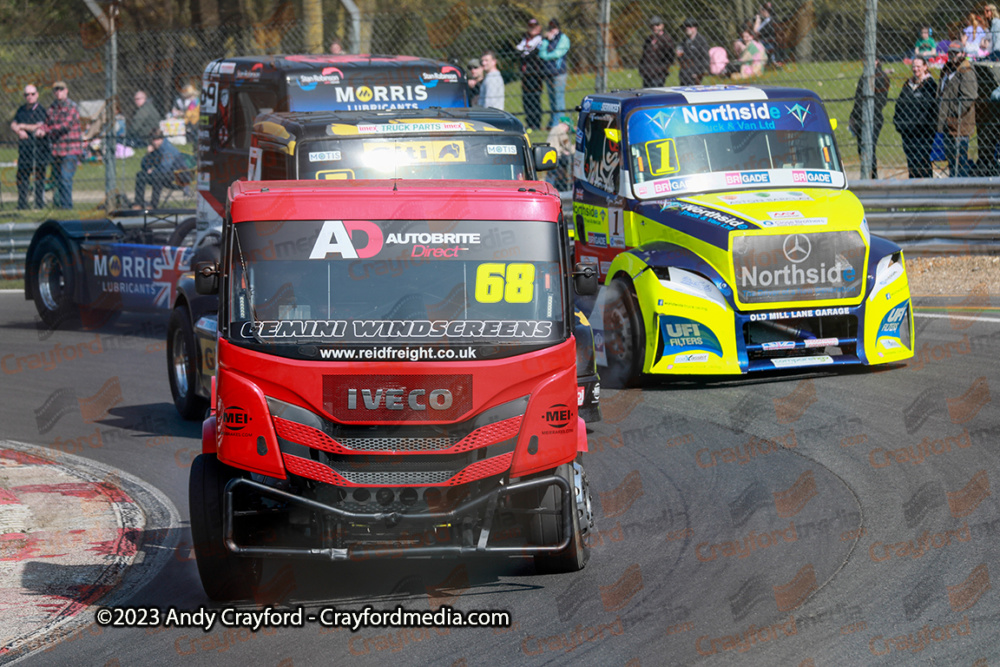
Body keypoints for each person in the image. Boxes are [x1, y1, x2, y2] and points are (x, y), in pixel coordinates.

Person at [34, 81, 83, 210]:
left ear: (66, 91)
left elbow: (65, 126)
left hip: (70, 149)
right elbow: (47, 123)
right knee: (59, 180)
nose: (58, 92)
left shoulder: (72, 106)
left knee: (66, 178)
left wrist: (46, 130)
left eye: (61, 89)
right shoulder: (52, 107)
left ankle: (67, 207)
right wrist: (40, 129)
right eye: (56, 90)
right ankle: (62, 206)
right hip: (56, 150)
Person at [893, 57, 938, 178]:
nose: (915, 69)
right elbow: (899, 105)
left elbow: (930, 109)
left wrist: (918, 125)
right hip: (907, 132)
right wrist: (899, 124)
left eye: (918, 66)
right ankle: (912, 187)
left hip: (923, 132)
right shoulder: (908, 84)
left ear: (925, 67)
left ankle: (926, 188)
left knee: (922, 161)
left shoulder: (930, 85)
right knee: (911, 162)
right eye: (914, 66)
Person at [938, 42, 978, 177]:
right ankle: (953, 184)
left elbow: (969, 96)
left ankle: (962, 186)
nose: (953, 55)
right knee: (951, 160)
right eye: (951, 52)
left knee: (959, 161)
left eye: (956, 52)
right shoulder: (947, 68)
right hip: (946, 123)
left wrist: (952, 111)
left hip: (959, 124)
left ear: (963, 54)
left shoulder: (967, 71)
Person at [848, 58, 890, 179]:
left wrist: (866, 112)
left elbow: (881, 101)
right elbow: (857, 99)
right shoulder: (865, 76)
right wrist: (853, 116)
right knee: (862, 149)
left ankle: (873, 176)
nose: (865, 61)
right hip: (859, 119)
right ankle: (866, 174)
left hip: (873, 119)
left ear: (877, 61)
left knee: (869, 148)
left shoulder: (881, 76)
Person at [10, 84, 48, 209]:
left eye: (32, 94)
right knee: (22, 177)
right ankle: (22, 204)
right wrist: (18, 130)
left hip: (39, 149)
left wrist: (23, 126)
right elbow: (14, 124)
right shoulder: (21, 110)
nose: (30, 97)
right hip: (24, 149)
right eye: (27, 94)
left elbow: (38, 126)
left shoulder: (41, 110)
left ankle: (39, 203)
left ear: (37, 95)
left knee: (39, 177)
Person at [134, 128, 184, 208]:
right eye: (151, 140)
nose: (152, 142)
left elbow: (165, 168)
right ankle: (138, 203)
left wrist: (152, 171)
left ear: (161, 139)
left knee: (158, 177)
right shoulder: (156, 148)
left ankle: (153, 205)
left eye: (154, 140)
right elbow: (144, 166)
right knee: (140, 175)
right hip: (162, 174)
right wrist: (148, 154)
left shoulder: (168, 149)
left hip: (177, 177)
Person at [539, 18, 570, 128]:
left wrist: (547, 56)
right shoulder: (546, 39)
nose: (552, 30)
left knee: (558, 99)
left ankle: (559, 124)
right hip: (548, 73)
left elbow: (558, 53)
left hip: (559, 74)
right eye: (550, 27)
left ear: (558, 28)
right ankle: (553, 121)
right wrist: (547, 40)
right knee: (552, 100)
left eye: (554, 27)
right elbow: (541, 53)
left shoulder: (563, 38)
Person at [515, 18, 544, 130]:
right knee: (526, 99)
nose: (532, 29)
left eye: (534, 26)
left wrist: (525, 54)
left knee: (535, 98)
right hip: (525, 74)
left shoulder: (540, 39)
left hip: (535, 74)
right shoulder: (525, 40)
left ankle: (536, 123)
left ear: (539, 27)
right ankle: (529, 122)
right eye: (530, 26)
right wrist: (525, 53)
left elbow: (533, 53)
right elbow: (518, 51)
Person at [638, 15, 675, 87]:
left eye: (657, 25)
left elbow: (670, 57)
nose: (655, 27)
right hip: (647, 74)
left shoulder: (666, 39)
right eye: (653, 25)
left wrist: (663, 70)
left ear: (662, 26)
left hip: (658, 75)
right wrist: (642, 69)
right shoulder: (648, 39)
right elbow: (644, 56)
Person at [545, 114, 575, 191]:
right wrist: (575, 147)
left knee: (551, 174)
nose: (567, 130)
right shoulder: (561, 131)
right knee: (556, 173)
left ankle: (548, 188)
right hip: (556, 156)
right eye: (568, 128)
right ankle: (558, 188)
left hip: (548, 154)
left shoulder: (554, 129)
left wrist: (563, 150)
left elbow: (557, 144)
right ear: (565, 125)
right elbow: (568, 146)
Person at [677, 18, 710, 86]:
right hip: (684, 73)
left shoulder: (701, 41)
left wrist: (698, 72)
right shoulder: (684, 41)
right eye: (685, 26)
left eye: (690, 26)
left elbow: (705, 58)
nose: (687, 28)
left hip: (695, 74)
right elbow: (680, 57)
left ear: (695, 27)